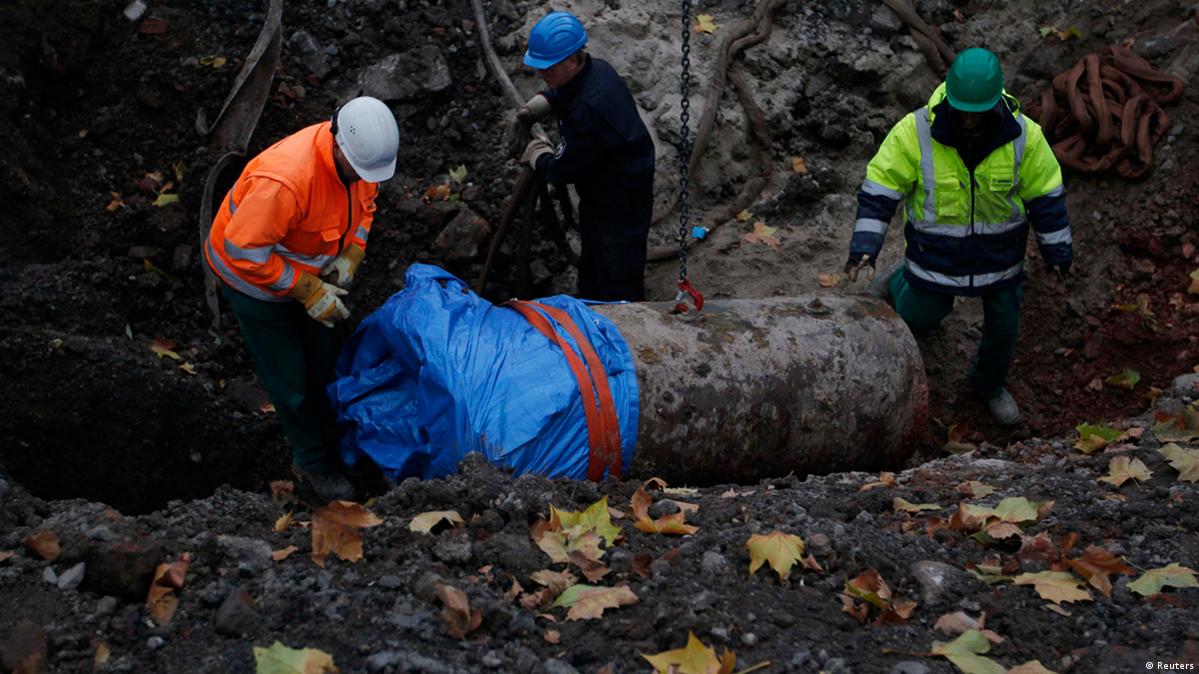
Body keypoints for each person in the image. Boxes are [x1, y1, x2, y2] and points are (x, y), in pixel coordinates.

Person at [845, 48, 1073, 427]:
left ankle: (988, 385)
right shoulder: (914, 132)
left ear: (996, 101)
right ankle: (900, 278)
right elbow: (880, 189)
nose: (969, 119)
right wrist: (865, 246)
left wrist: (1057, 249)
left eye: (977, 110)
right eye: (962, 108)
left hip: (999, 260)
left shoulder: (1025, 139)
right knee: (920, 315)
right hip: (935, 257)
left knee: (1004, 329)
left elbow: (1046, 196)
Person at [204, 96, 400, 501]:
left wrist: (353, 252)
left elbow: (366, 207)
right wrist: (307, 289)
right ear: (338, 143)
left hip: (307, 271)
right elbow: (244, 252)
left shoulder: (363, 159)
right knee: (290, 379)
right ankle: (313, 463)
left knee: (325, 364)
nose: (366, 178)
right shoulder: (286, 182)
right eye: (360, 171)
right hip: (252, 284)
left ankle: (340, 441)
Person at [516, 11, 656, 302]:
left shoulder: (588, 111)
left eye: (548, 69)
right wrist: (547, 100)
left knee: (617, 274)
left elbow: (563, 169)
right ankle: (591, 298)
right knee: (594, 262)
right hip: (607, 184)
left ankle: (626, 320)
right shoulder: (596, 68)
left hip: (619, 199)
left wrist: (539, 157)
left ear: (571, 60)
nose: (542, 74)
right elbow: (568, 92)